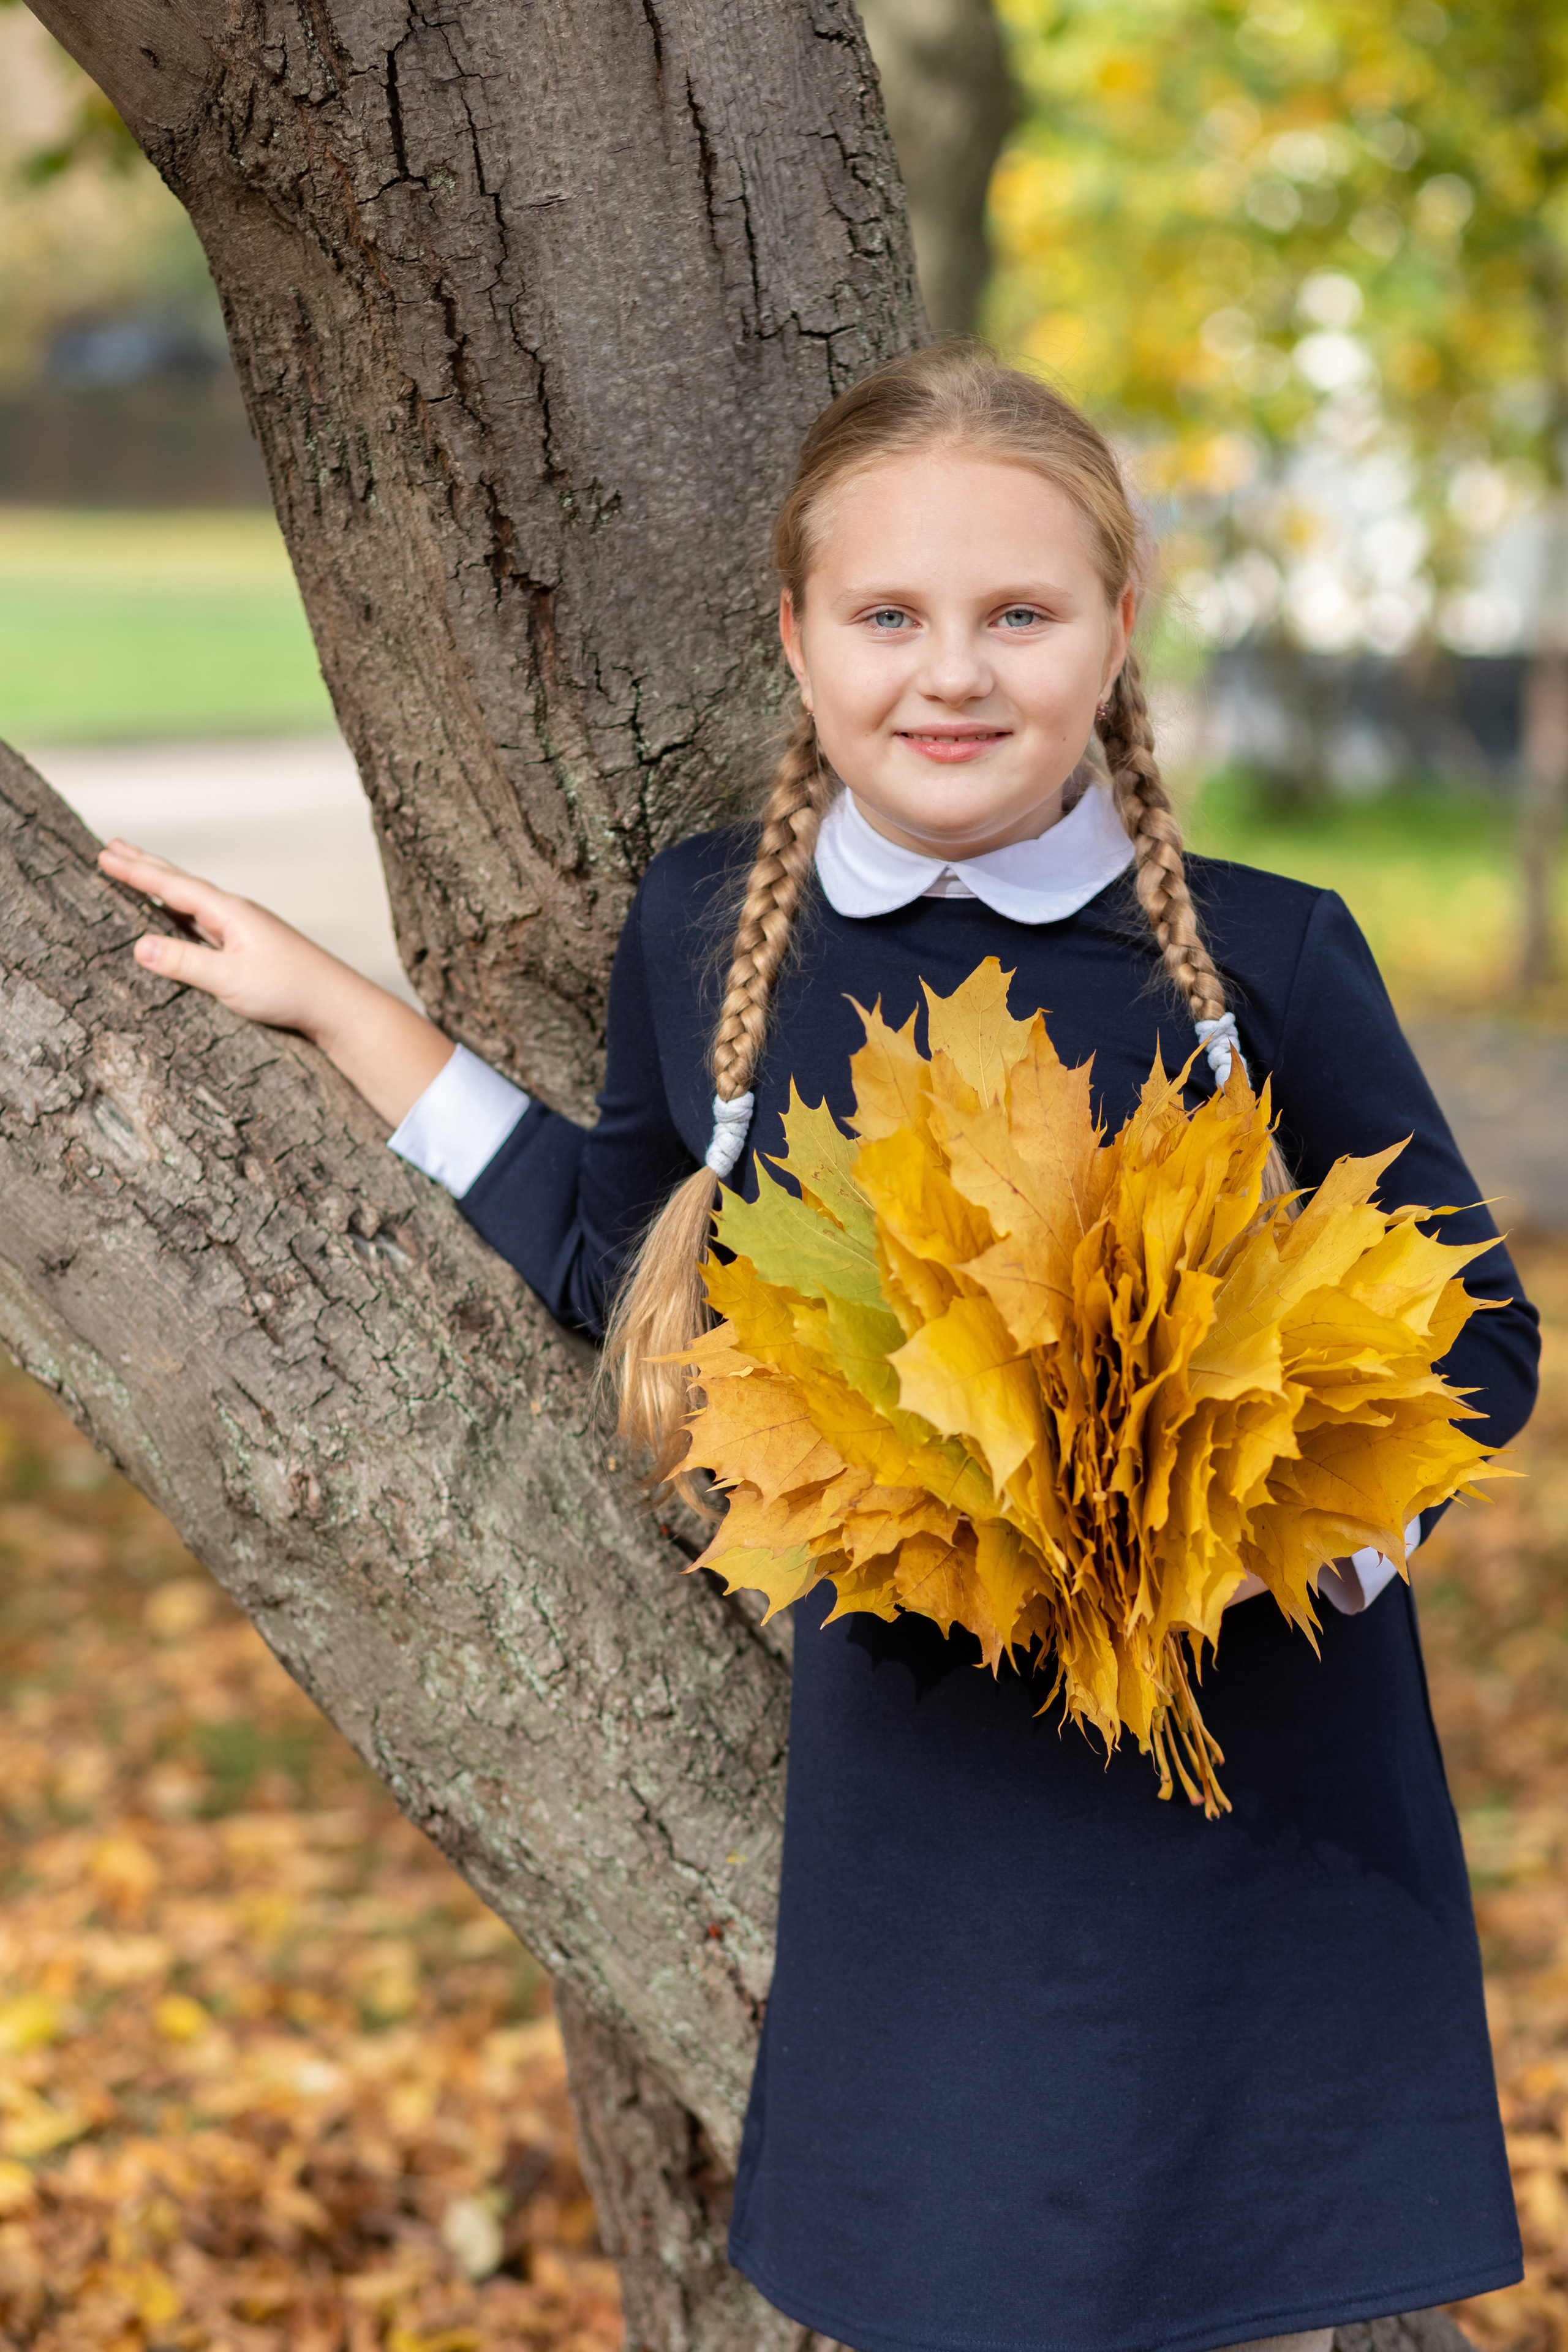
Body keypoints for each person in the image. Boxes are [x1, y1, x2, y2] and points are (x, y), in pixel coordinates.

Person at [99, 344, 1538, 2352]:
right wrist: (346, 1013)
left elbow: (1478, 1340)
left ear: (1116, 635)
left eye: (1019, 614)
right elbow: (630, 1272)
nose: (951, 671)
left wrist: (1246, 1525)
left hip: (1249, 1834)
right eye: (890, 616)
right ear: (796, 639)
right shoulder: (710, 943)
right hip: (931, 1844)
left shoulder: (1264, 956)